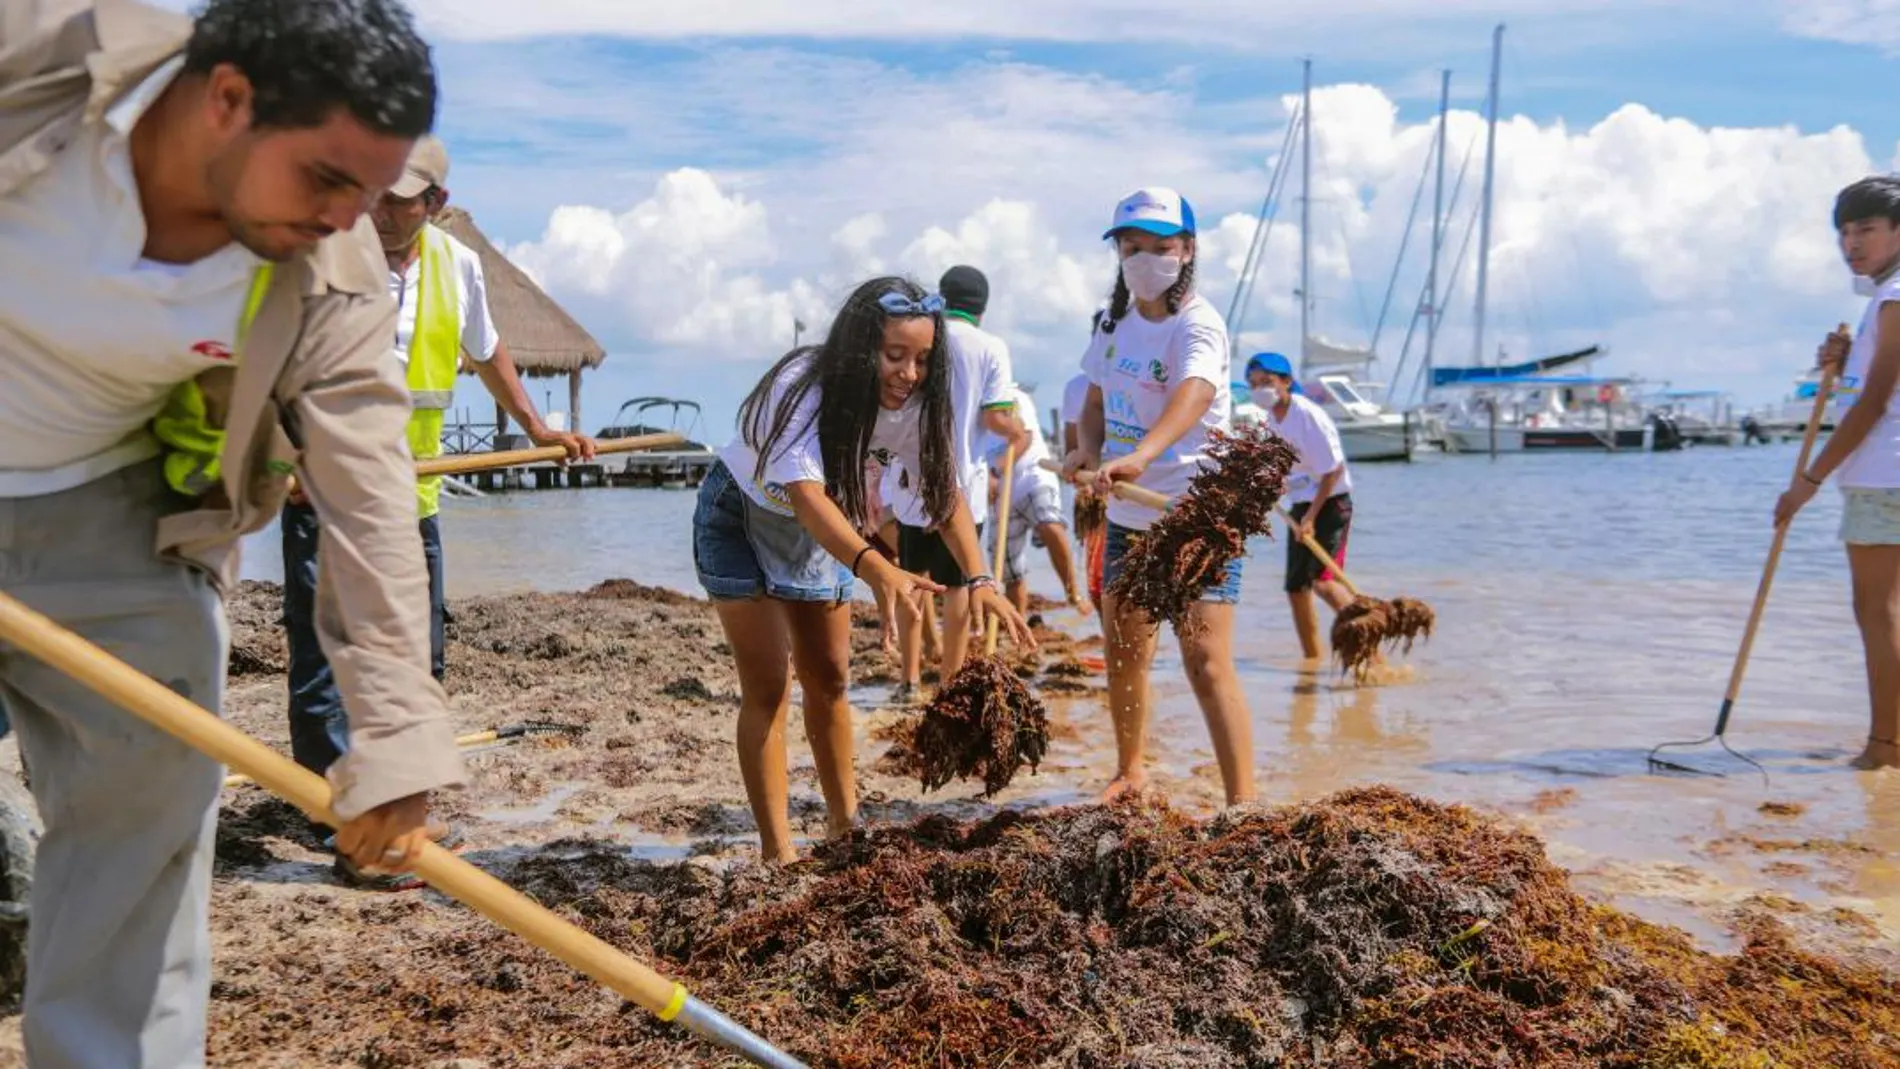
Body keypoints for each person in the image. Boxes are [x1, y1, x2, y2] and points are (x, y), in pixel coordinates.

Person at [0, 0, 467, 1064]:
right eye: (327, 178)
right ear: (225, 100)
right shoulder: (37, 56)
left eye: (372, 190)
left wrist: (393, 733)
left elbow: (368, 496)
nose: (351, 219)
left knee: (146, 836)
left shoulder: (332, 265)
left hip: (112, 516)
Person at [277, 134, 595, 888]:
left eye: (401, 196)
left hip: (411, 498)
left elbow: (490, 356)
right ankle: (345, 816)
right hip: (322, 491)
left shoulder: (460, 268)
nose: (382, 208)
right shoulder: (323, 254)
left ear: (436, 204)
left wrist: (540, 429)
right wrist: (283, 458)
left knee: (420, 657)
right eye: (375, 190)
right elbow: (271, 362)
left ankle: (389, 804)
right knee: (326, 663)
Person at [695, 276, 1032, 863]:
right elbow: (804, 494)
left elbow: (944, 492)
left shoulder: (921, 405)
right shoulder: (806, 384)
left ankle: (843, 827)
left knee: (830, 680)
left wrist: (981, 578)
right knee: (771, 686)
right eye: (894, 355)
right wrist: (879, 570)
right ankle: (779, 852)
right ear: (860, 348)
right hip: (744, 517)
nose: (909, 373)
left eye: (923, 359)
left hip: (829, 527)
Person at [1064, 187, 1256, 805]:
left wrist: (1143, 455)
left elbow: (1195, 392)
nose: (1146, 259)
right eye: (1132, 247)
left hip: (1198, 512)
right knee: (1124, 648)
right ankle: (1130, 772)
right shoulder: (1112, 322)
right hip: (1127, 513)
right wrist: (1086, 451)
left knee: (1204, 657)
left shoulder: (1198, 323)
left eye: (1161, 248)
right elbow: (1093, 399)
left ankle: (1241, 801)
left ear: (1188, 251)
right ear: (1119, 252)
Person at [1775, 174, 1900, 770]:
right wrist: (1845, 362)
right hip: (1885, 472)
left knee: (1877, 612)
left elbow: (1877, 402)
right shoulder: (1881, 301)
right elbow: (1868, 384)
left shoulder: (1895, 295)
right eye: (1845, 232)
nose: (1852, 242)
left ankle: (1885, 749)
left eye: (1867, 229)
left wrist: (1809, 480)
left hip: (1886, 474)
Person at [885, 265, 1019, 703]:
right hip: (965, 482)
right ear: (983, 306)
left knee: (912, 579)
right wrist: (1019, 433)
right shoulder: (990, 346)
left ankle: (907, 680)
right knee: (958, 588)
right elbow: (995, 417)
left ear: (942, 296)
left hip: (910, 480)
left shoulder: (926, 336)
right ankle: (949, 684)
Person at [1245, 352, 1356, 661]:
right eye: (1253, 384)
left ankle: (1368, 644)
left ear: (1287, 382)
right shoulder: (1271, 420)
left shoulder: (1306, 415)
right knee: (1296, 588)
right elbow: (1288, 469)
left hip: (1331, 503)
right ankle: (1312, 659)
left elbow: (1332, 470)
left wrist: (1311, 516)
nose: (1260, 389)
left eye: (1266, 382)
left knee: (1324, 583)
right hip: (1302, 504)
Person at [985, 384, 1091, 619]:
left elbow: (1024, 437)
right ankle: (1019, 628)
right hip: (1001, 497)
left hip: (1032, 478)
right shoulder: (967, 408)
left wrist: (993, 470)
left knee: (1049, 522)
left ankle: (1072, 591)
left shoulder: (1010, 397)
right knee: (1009, 569)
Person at [1060, 365, 1109, 618]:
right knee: (1098, 577)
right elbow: (1072, 445)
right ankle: (1110, 644)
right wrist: (1082, 481)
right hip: (1094, 493)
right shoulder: (1077, 387)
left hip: (1128, 487)